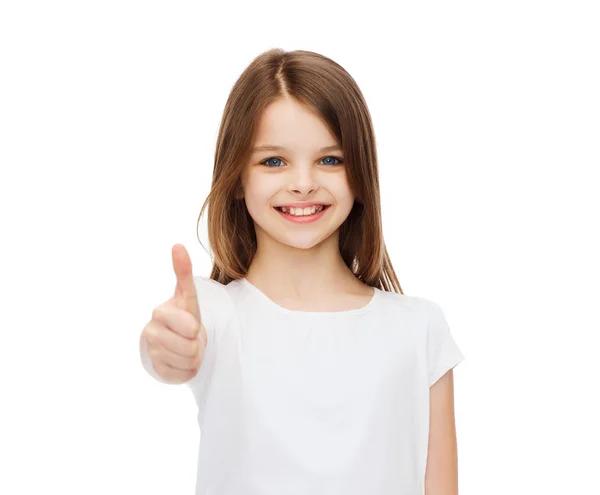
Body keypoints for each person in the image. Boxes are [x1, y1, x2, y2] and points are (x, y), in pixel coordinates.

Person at [139, 48, 465, 495]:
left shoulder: (419, 328)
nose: (304, 182)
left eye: (330, 159)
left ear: (360, 173)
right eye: (274, 161)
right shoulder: (215, 313)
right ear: (236, 178)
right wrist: (166, 348)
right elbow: (169, 346)